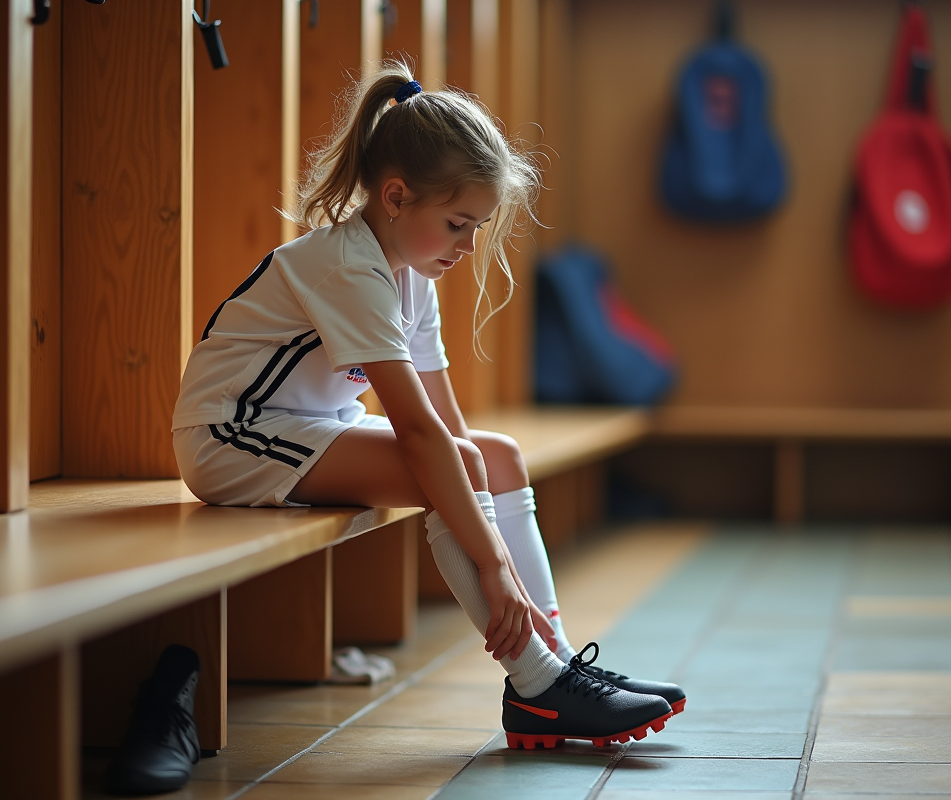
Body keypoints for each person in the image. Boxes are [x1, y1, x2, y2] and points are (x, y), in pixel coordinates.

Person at [171, 61, 686, 753]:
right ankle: (538, 684)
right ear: (394, 196)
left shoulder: (411, 274)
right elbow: (418, 435)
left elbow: (446, 428)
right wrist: (495, 566)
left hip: (308, 425)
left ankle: (555, 664)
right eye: (457, 224)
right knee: (456, 466)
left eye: (477, 227)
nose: (469, 247)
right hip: (230, 436)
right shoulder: (348, 266)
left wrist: (490, 538)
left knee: (494, 454)